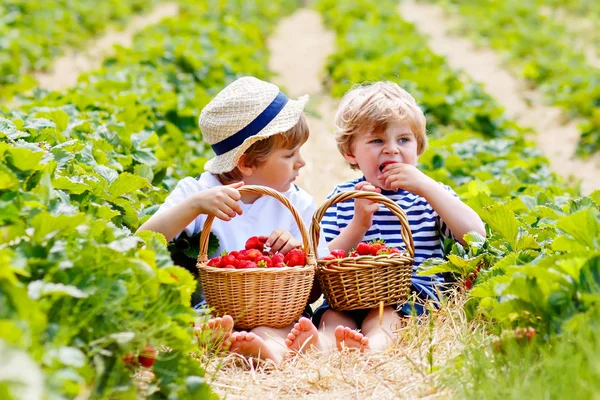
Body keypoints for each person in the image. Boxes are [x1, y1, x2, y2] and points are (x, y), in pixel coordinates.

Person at [138, 76, 328, 364]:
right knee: (203, 322)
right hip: (216, 308)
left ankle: (270, 351)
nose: (301, 163)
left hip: (279, 309)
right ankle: (220, 339)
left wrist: (297, 253)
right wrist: (194, 207)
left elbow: (317, 286)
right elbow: (141, 243)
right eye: (290, 154)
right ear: (247, 163)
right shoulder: (198, 193)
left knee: (287, 325)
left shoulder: (297, 203)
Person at [309, 81, 486, 352]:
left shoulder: (430, 195)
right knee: (333, 316)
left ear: (418, 147)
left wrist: (428, 187)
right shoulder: (344, 198)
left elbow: (476, 237)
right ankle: (321, 345)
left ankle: (375, 346)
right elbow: (324, 261)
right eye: (377, 140)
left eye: (403, 140)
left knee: (385, 315)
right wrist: (358, 225)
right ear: (351, 152)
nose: (392, 149)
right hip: (351, 294)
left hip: (408, 293)